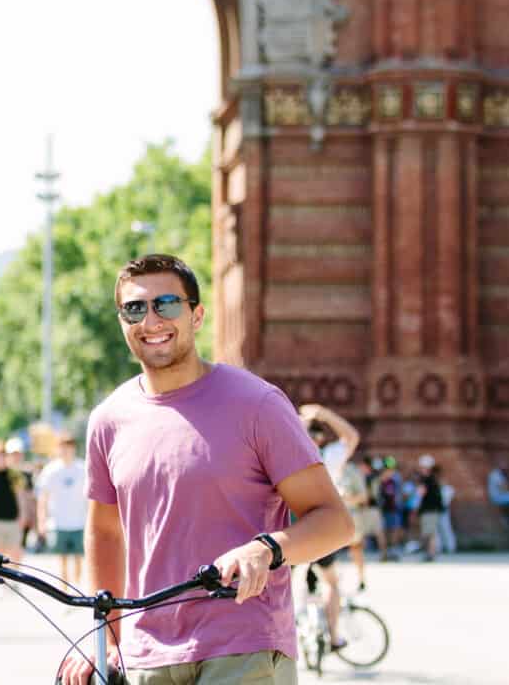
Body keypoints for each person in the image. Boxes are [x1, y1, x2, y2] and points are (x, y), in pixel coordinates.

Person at [61, 254, 353, 685]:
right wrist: (103, 638)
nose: (152, 320)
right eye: (135, 308)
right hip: (147, 655)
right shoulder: (108, 419)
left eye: (167, 304)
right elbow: (105, 533)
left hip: (243, 646)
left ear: (196, 315)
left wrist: (266, 549)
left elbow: (335, 522)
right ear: (122, 322)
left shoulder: (258, 405)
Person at [300, 402, 362, 651]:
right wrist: (323, 414)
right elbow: (352, 436)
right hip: (321, 530)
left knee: (279, 585)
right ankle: (334, 636)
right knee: (331, 583)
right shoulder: (328, 458)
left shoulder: (285, 454)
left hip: (290, 530)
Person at [36, 435, 88, 585]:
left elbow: (91, 498)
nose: (66, 451)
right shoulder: (51, 470)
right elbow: (43, 499)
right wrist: (42, 522)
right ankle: (64, 590)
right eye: (62, 447)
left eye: (69, 447)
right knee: (62, 560)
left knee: (79, 558)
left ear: (74, 448)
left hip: (80, 522)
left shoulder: (82, 468)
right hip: (58, 523)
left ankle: (76, 588)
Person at [5, 438, 40, 553]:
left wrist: (32, 517)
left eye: (18, 454)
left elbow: (30, 496)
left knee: (18, 548)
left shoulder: (27, 472)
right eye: (13, 454)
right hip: (5, 515)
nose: (16, 457)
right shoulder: (2, 472)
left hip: (22, 515)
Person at [414, 455, 445, 561]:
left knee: (430, 532)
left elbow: (420, 493)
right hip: (433, 509)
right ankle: (430, 553)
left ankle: (431, 553)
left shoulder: (426, 479)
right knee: (430, 532)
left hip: (429, 509)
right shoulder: (433, 478)